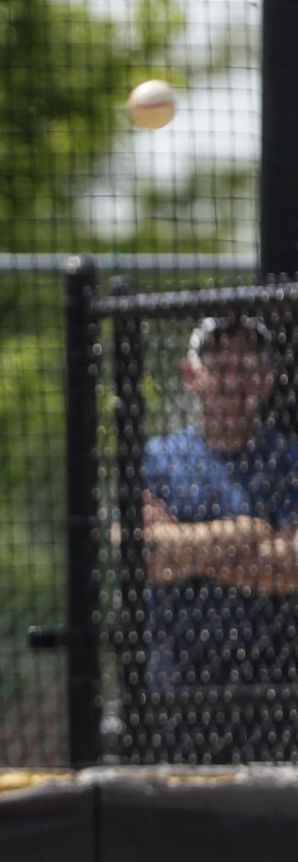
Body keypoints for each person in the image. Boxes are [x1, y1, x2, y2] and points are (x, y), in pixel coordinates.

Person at [142, 316, 298, 761]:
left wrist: (187, 547)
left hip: (277, 693)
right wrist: (247, 533)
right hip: (177, 689)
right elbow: (148, 557)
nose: (233, 381)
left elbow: (292, 567)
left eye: (247, 368)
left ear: (268, 381)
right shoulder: (159, 458)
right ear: (192, 376)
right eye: (220, 367)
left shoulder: (289, 460)